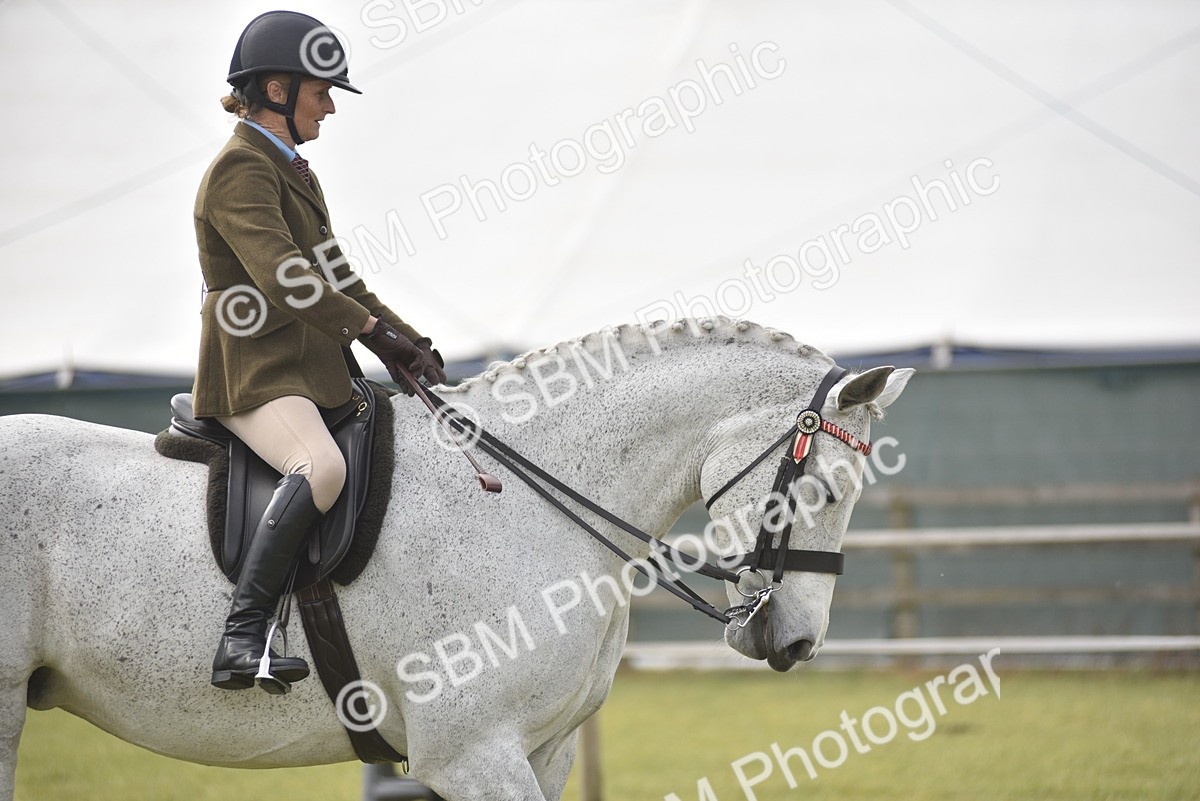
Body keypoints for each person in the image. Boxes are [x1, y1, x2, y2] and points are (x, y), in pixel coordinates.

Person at [192, 10, 446, 693]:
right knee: (322, 466)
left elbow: (339, 279)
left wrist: (407, 343)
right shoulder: (239, 171)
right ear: (276, 90)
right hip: (255, 372)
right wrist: (371, 333)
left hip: (308, 370)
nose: (329, 106)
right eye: (321, 92)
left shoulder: (293, 171)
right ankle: (243, 636)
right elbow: (286, 278)